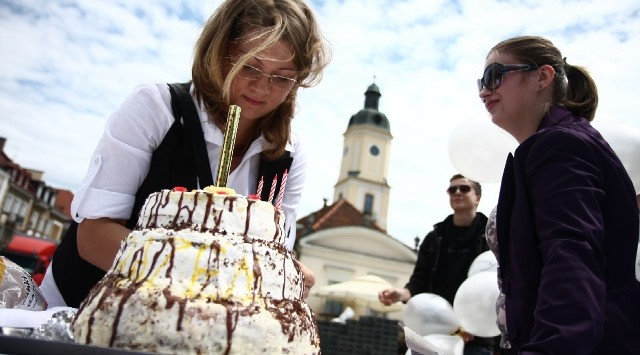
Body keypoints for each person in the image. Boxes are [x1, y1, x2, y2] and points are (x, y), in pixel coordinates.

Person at [40, 0, 330, 308]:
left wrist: (287, 272)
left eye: (282, 77)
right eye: (249, 66)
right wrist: (217, 274)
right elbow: (93, 238)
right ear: (218, 52)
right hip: (81, 308)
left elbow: (270, 256)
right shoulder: (156, 108)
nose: (262, 87)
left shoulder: (289, 156)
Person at [478, 35, 640, 354]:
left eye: (494, 75)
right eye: (480, 81)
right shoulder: (560, 142)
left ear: (543, 77)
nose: (484, 89)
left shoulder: (560, 146)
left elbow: (571, 251)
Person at [378, 174, 497, 355]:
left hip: (476, 337)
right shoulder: (435, 238)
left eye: (464, 188)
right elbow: (419, 281)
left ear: (478, 198)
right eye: (452, 189)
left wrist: (475, 325)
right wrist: (400, 294)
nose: (457, 192)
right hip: (435, 332)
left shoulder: (492, 237)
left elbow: (497, 285)